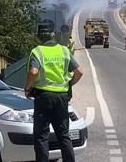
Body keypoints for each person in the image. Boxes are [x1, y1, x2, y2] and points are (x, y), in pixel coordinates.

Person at [24, 32, 83, 162]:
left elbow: (33, 71)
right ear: (54, 37)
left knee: (41, 137)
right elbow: (79, 72)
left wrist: (27, 89)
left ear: (40, 37)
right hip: (61, 98)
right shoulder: (64, 50)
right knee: (63, 136)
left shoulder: (37, 51)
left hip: (43, 98)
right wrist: (68, 84)